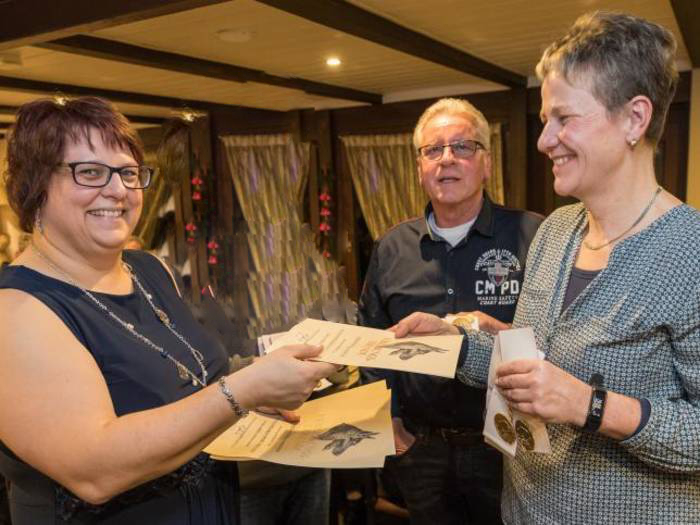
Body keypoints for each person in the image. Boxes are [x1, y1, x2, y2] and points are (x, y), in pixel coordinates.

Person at [392, 11, 700, 524]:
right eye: (543, 121)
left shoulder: (689, 251)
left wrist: (589, 405)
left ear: (634, 119)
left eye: (564, 119)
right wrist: (456, 346)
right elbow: (533, 364)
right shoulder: (556, 231)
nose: (544, 141)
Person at [0, 96, 337, 525]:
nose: (119, 190)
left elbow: (189, 388)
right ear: (35, 186)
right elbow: (94, 470)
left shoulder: (148, 269)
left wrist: (256, 396)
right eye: (89, 172)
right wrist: (241, 393)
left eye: (128, 172)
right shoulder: (15, 311)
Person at [358, 97, 543, 524]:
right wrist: (392, 423)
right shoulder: (392, 248)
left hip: (507, 447)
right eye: (433, 150)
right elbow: (370, 341)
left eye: (462, 146)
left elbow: (554, 342)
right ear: (420, 167)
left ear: (486, 163)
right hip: (421, 450)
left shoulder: (534, 235)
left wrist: (497, 329)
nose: (447, 160)